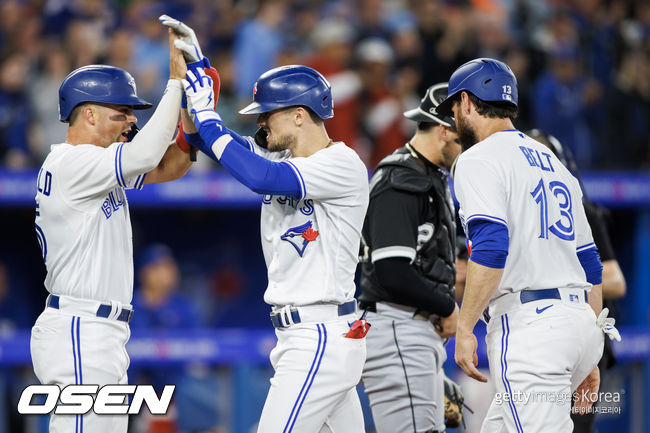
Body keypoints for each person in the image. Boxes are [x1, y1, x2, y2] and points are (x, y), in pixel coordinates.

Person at [166, 18, 370, 431]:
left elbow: (259, 178)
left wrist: (208, 115)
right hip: (313, 334)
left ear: (299, 115)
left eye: (267, 115)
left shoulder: (341, 163)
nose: (260, 124)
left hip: (319, 335)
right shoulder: (282, 157)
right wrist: (199, 69)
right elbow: (213, 142)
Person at [435, 57, 619, 432]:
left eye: (453, 107)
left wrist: (467, 327)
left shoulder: (478, 158)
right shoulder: (553, 162)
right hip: (578, 322)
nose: (453, 118)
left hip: (532, 332)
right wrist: (592, 350)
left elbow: (490, 247)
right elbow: (591, 263)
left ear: (467, 102)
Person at [30, 28, 192, 433]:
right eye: (122, 112)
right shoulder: (72, 163)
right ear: (89, 114)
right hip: (80, 329)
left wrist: (193, 112)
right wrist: (174, 83)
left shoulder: (97, 167)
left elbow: (170, 166)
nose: (132, 120)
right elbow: (145, 152)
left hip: (101, 331)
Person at [358, 82, 461, 433]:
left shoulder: (430, 177)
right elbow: (391, 273)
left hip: (412, 331)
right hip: (397, 327)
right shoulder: (400, 179)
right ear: (445, 132)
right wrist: (448, 308)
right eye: (466, 139)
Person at [526, 129, 626, 433]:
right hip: (537, 338)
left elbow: (615, 281)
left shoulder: (580, 209)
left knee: (575, 426)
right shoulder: (522, 213)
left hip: (584, 337)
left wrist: (560, 277)